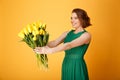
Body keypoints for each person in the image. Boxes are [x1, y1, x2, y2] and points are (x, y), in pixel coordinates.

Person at [34, 8, 92, 80]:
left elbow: (69, 45)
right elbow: (54, 42)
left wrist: (49, 51)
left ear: (82, 19)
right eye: (71, 18)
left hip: (77, 66)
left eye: (75, 18)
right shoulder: (67, 33)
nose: (72, 21)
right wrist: (38, 44)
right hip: (66, 64)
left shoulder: (86, 35)